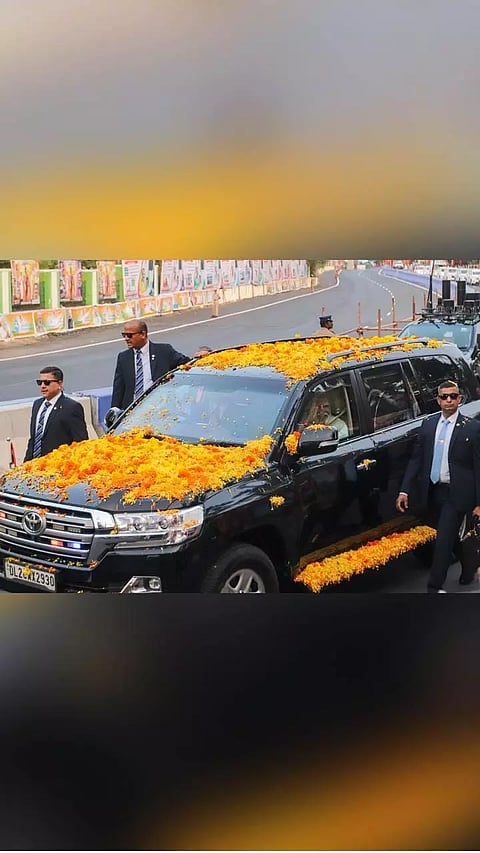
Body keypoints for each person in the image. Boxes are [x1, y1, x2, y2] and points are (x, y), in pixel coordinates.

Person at [396, 379, 480, 592]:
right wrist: (404, 490)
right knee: (450, 535)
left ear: (459, 399)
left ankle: (434, 587)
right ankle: (470, 568)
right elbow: (416, 459)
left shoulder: (472, 428)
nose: (449, 400)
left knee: (442, 539)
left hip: (458, 493)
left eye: (453, 396)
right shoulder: (429, 424)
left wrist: (479, 503)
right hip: (434, 491)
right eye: (444, 396)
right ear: (438, 400)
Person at [111, 320, 190, 410]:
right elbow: (119, 388)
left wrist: (203, 356)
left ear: (143, 334)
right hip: (132, 412)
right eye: (124, 335)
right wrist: (114, 409)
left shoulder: (164, 351)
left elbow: (188, 364)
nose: (126, 338)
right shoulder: (123, 357)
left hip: (160, 409)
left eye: (129, 335)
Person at [24, 366, 88, 461]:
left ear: (59, 384)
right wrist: (26, 463)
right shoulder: (37, 405)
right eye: (39, 382)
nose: (43, 386)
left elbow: (81, 443)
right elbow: (34, 439)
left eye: (47, 382)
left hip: (57, 466)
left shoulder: (71, 407)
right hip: (35, 467)